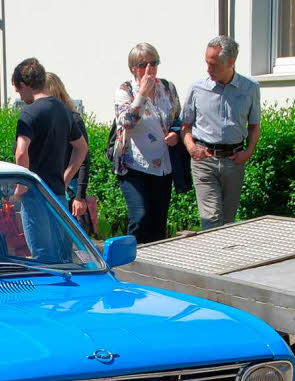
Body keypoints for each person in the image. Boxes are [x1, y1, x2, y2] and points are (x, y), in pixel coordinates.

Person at [11, 57, 87, 262]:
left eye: (18, 91)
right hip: (58, 195)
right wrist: (65, 177)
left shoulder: (29, 113)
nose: (20, 96)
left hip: (36, 194)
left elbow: (21, 152)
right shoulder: (63, 110)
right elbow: (82, 148)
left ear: (25, 85)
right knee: (63, 256)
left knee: (44, 257)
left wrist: (22, 185)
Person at [181, 35, 261, 229]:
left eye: (214, 64)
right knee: (211, 219)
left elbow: (254, 126)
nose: (208, 69)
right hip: (204, 161)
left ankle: (225, 259)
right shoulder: (197, 89)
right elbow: (185, 127)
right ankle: (211, 257)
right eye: (207, 63)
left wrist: (248, 152)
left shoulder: (250, 88)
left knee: (227, 222)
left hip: (234, 162)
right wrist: (192, 147)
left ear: (230, 62)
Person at [111, 42, 181, 245]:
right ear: (133, 68)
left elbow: (178, 118)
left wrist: (175, 134)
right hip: (134, 166)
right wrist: (141, 94)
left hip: (162, 167)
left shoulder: (167, 88)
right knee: (140, 217)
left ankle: (156, 268)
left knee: (158, 222)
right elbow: (127, 122)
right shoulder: (125, 90)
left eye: (154, 63)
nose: (149, 69)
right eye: (143, 65)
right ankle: (132, 262)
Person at [44, 72, 90, 218]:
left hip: (71, 187)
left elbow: (84, 160)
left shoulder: (73, 119)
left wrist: (80, 196)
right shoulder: (43, 121)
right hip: (51, 186)